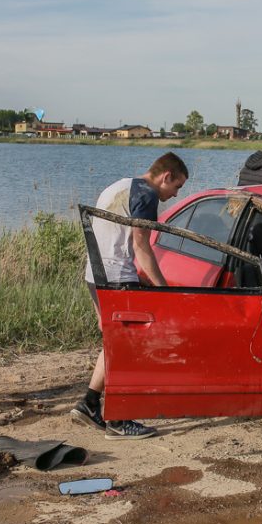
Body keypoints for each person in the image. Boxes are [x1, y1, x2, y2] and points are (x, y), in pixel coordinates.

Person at [71, 152, 188, 440]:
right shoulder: (146, 194)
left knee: (113, 343)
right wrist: (164, 290)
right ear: (166, 176)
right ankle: (119, 420)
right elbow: (141, 247)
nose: (174, 195)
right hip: (117, 278)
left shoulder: (120, 185)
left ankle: (89, 403)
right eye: (177, 187)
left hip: (95, 274)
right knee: (127, 347)